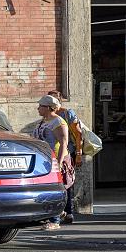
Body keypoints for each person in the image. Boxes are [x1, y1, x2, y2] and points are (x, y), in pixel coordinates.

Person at [33, 95, 72, 230]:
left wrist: (59, 162)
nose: (38, 108)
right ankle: (61, 213)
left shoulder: (58, 122)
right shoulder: (42, 121)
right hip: (44, 160)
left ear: (49, 108)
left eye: (41, 106)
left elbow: (63, 143)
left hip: (55, 159)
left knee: (54, 188)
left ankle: (55, 220)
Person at [47, 90, 83, 224]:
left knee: (67, 183)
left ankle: (68, 212)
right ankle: (61, 212)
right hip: (54, 154)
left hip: (69, 152)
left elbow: (78, 134)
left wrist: (79, 154)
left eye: (55, 99)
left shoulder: (67, 113)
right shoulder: (48, 116)